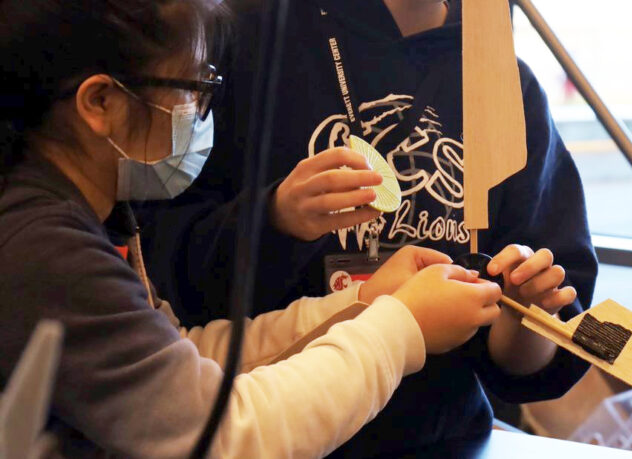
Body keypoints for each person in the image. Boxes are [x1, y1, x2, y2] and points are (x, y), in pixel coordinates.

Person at [0, 1, 504, 457]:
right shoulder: (46, 249)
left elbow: (189, 360)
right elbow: (226, 435)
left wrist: (364, 304)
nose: (201, 117)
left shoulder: (81, 221)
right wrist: (403, 326)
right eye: (195, 91)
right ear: (101, 103)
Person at [142, 0, 599, 456]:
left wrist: (526, 314)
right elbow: (163, 269)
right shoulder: (247, 37)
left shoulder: (501, 80)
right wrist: (275, 218)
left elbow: (536, 349)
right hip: (256, 429)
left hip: (441, 438)